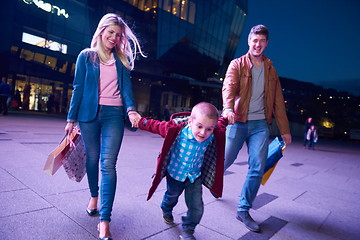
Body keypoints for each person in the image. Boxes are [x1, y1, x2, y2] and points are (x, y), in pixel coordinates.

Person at [64, 13, 145, 240]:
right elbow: (78, 88)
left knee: (108, 165)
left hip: (113, 115)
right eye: (110, 32)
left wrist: (131, 109)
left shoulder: (121, 60)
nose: (114, 37)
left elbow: (127, 89)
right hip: (88, 115)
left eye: (118, 35)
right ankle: (93, 196)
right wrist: (71, 120)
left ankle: (105, 220)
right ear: (101, 31)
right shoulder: (86, 56)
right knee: (92, 158)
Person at [222, 24, 292, 233]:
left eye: (262, 41)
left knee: (257, 166)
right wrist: (227, 109)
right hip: (238, 120)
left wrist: (285, 129)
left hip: (261, 124)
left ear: (266, 43)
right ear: (249, 41)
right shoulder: (237, 64)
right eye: (255, 40)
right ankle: (206, 181)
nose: (258, 44)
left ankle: (243, 209)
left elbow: (278, 101)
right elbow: (229, 87)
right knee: (225, 160)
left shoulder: (271, 69)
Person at [135, 102, 228, 240]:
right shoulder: (176, 130)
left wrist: (229, 113)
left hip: (194, 177)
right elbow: (155, 125)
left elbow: (223, 121)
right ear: (190, 121)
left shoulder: (213, 133)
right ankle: (166, 208)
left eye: (209, 129)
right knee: (172, 196)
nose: (203, 133)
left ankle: (188, 230)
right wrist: (140, 121)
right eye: (200, 126)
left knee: (197, 207)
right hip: (175, 174)